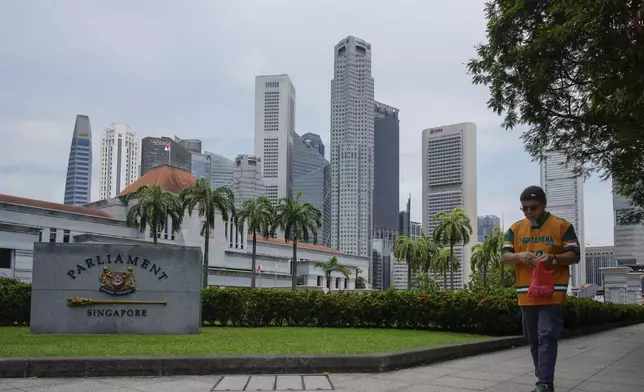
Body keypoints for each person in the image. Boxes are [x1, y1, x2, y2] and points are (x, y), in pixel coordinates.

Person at [501, 185, 581, 392]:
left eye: (533, 207)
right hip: (526, 293)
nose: (529, 212)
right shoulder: (515, 229)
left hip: (553, 290)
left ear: (544, 205)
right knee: (533, 338)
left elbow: (575, 255)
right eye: (525, 208)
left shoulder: (562, 226)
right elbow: (504, 257)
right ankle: (542, 377)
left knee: (547, 334)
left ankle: (545, 383)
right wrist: (519, 256)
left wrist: (553, 259)